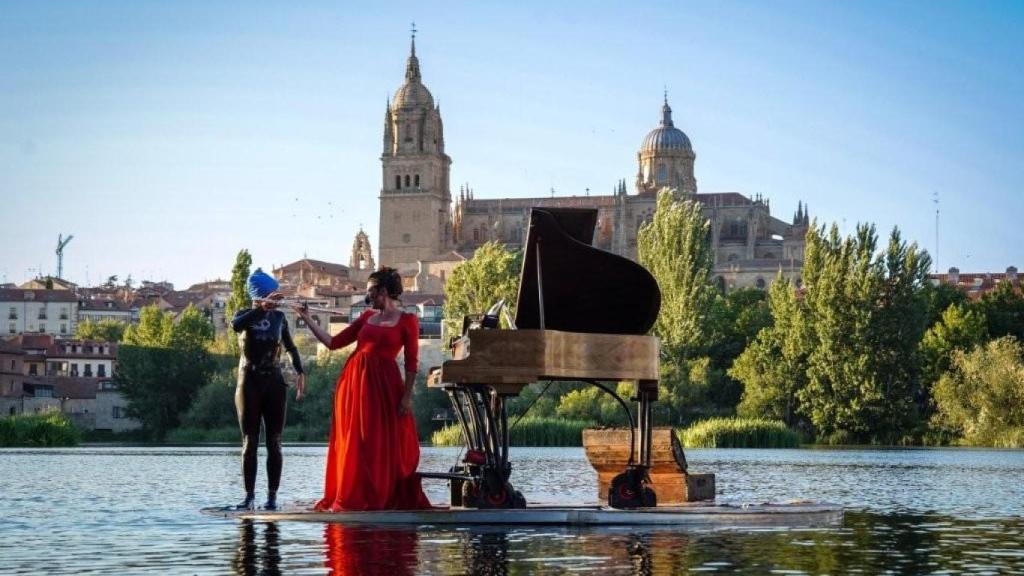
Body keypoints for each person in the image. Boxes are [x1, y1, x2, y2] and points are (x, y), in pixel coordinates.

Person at [295, 266, 431, 511]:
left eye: (371, 292)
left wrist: (407, 396)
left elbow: (412, 363)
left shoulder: (407, 321)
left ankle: (380, 495)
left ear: (384, 291)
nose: (367, 297)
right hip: (354, 386)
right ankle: (354, 495)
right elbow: (334, 343)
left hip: (386, 386)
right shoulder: (366, 317)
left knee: (381, 441)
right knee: (357, 441)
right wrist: (306, 319)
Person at [231, 268, 306, 511]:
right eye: (272, 295)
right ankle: (249, 496)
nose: (277, 300)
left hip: (273, 381)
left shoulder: (279, 319)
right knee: (249, 441)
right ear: (261, 295)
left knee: (274, 441)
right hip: (248, 381)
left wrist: (300, 372)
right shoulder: (244, 315)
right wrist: (260, 308)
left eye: (277, 296)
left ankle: (272, 497)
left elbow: (291, 347)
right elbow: (236, 325)